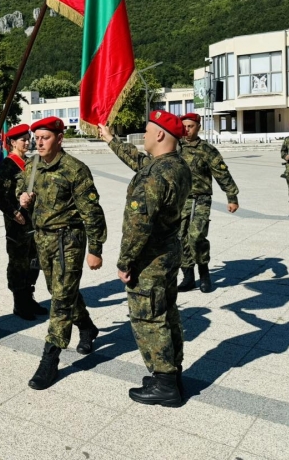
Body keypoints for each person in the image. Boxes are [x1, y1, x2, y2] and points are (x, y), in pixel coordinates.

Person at [97, 111, 191, 407]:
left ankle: (164, 384)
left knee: (149, 318)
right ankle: (172, 374)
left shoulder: (155, 175)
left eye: (148, 130)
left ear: (160, 134)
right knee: (167, 312)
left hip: (149, 259)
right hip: (168, 253)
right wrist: (112, 140)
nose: (145, 135)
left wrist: (125, 262)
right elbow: (139, 162)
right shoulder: (176, 166)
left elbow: (139, 225)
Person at [19, 117, 106, 390]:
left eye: (45, 137)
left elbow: (92, 212)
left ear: (59, 139)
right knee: (59, 291)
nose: (39, 142)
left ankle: (50, 359)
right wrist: (22, 196)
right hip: (43, 240)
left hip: (69, 240)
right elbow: (22, 188)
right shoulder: (32, 165)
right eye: (37, 137)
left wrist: (96, 249)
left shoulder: (75, 170)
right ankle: (88, 327)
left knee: (60, 299)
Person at [174, 113, 239, 294]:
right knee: (179, 238)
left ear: (198, 127)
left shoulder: (207, 150)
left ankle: (204, 274)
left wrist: (232, 197)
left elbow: (222, 173)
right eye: (184, 126)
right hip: (179, 200)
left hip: (200, 199)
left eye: (191, 126)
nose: (187, 130)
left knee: (196, 237)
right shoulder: (174, 146)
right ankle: (188, 277)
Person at [0, 123, 47, 320]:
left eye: (27, 138)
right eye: (22, 139)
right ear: (12, 143)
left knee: (33, 260)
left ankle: (29, 296)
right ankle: (19, 302)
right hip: (18, 222)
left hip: (34, 221)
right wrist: (13, 212)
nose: (27, 142)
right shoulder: (7, 165)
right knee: (18, 262)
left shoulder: (31, 163)